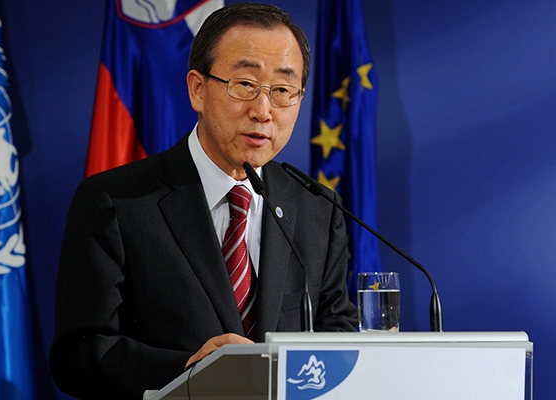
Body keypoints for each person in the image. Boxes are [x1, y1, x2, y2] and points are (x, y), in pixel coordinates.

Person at [50, 3, 358, 399]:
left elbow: (338, 337)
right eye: (245, 84)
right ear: (198, 89)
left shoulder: (318, 210)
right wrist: (190, 371)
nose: (263, 111)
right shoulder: (117, 202)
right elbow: (78, 354)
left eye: (282, 91)